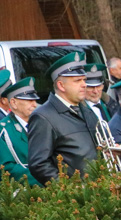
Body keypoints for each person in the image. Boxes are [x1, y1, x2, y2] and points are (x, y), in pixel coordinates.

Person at [28, 52, 100, 185]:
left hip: (99, 190)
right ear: (61, 85)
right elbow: (39, 164)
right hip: (75, 198)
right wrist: (69, 190)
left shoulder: (86, 110)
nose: (84, 84)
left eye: (84, 79)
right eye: (77, 81)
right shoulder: (43, 116)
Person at [0, 77, 40, 186]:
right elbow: (7, 168)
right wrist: (44, 177)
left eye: (35, 100)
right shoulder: (3, 130)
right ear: (13, 103)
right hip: (26, 193)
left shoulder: (41, 124)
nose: (34, 105)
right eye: (29, 100)